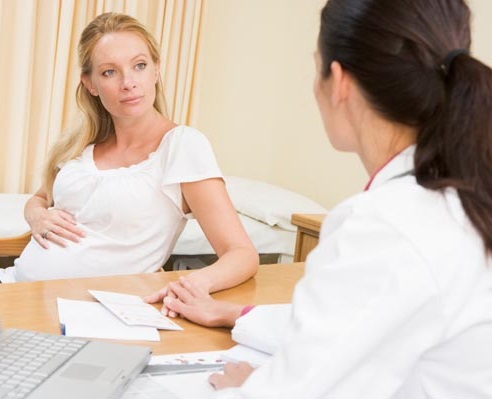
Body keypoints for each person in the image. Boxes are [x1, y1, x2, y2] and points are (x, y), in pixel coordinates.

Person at [147, 0, 492, 397]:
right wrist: (231, 313)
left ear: (339, 81)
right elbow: (358, 320)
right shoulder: (459, 195)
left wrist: (249, 386)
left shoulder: (386, 225)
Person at [0, 12, 259, 301]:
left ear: (156, 70)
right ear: (91, 84)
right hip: (14, 289)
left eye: (139, 66)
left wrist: (188, 285)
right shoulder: (82, 145)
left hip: (84, 314)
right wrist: (36, 216)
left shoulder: (182, 146)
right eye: (110, 71)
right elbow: (39, 199)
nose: (128, 82)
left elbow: (242, 254)